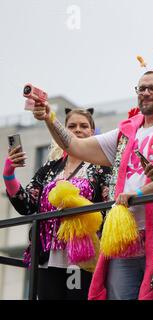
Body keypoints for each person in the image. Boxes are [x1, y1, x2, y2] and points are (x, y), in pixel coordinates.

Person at [32, 70, 153, 300]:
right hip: (124, 238)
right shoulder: (125, 133)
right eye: (141, 89)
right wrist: (50, 118)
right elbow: (75, 146)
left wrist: (139, 192)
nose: (146, 93)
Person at [3, 108, 110, 300]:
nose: (77, 130)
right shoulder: (50, 168)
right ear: (61, 130)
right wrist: (9, 174)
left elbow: (108, 208)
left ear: (93, 133)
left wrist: (77, 206)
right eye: (72, 126)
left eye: (84, 126)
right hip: (48, 255)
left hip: (81, 256)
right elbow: (27, 204)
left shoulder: (101, 167)